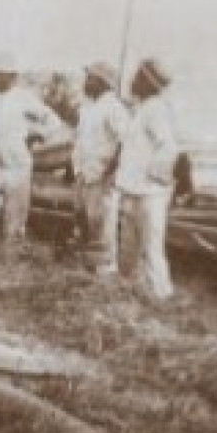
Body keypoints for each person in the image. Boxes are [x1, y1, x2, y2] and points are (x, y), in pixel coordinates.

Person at [0, 52, 63, 249]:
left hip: (17, 164)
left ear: (12, 77)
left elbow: (51, 119)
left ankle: (11, 257)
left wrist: (40, 136)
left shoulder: (24, 98)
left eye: (0, 74)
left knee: (16, 215)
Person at [114, 58, 179, 300]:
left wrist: (154, 176)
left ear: (148, 83)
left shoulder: (156, 110)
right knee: (127, 245)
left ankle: (161, 295)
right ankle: (126, 287)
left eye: (138, 78)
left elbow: (168, 146)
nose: (132, 81)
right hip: (132, 188)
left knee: (151, 246)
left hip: (150, 193)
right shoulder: (142, 109)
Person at [71, 60, 129, 275]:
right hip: (84, 173)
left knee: (103, 223)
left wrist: (110, 172)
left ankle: (104, 271)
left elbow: (125, 142)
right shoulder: (88, 107)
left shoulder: (114, 108)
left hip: (102, 175)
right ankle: (88, 268)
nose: (86, 82)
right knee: (84, 220)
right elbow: (80, 141)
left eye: (90, 78)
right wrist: (76, 169)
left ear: (102, 82)